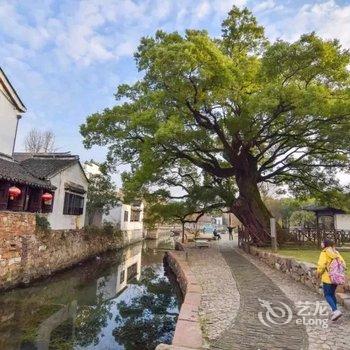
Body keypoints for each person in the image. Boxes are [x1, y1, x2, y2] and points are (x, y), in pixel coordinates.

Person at [317, 239, 346, 321]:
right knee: (332, 294)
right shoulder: (336, 253)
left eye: (322, 242)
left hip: (328, 277)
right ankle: (335, 311)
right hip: (336, 277)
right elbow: (343, 263)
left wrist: (318, 273)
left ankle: (335, 310)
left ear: (325, 244)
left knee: (327, 295)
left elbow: (321, 265)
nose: (321, 243)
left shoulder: (324, 252)